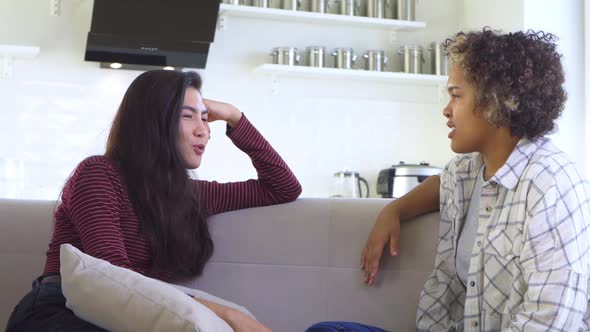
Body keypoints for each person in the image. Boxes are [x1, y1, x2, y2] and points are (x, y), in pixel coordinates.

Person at [6, 69, 302, 332]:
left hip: (133, 315)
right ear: (152, 122)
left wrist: (235, 117)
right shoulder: (98, 174)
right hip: (60, 311)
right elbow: (115, 276)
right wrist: (229, 314)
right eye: (187, 116)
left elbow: (283, 187)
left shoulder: (189, 194)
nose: (204, 130)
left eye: (204, 116)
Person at [362, 28, 590, 331]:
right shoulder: (467, 172)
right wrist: (393, 211)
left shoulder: (552, 185)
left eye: (456, 95)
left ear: (497, 102)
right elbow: (441, 185)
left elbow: (549, 323)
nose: (446, 110)